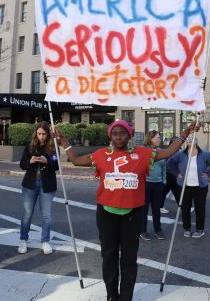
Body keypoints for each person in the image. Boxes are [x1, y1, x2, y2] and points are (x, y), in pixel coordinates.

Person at [55, 119, 200, 301]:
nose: (118, 137)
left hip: (132, 214)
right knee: (109, 257)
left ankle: (126, 297)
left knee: (129, 260)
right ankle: (111, 295)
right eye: (114, 134)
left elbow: (169, 152)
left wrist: (186, 132)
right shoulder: (101, 154)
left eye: (122, 133)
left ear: (129, 136)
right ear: (110, 136)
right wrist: (62, 140)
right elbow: (76, 160)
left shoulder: (142, 154)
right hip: (107, 214)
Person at [18, 121, 59, 255]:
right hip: (30, 184)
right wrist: (30, 161)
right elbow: (22, 164)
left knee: (46, 215)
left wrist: (48, 161)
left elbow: (57, 166)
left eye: (44, 134)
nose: (41, 136)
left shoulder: (53, 147)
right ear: (36, 133)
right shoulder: (30, 145)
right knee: (27, 214)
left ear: (48, 134)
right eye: (39, 133)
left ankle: (45, 241)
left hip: (47, 185)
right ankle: (23, 239)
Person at [167, 135, 210, 239]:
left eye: (192, 137)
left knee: (200, 208)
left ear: (196, 141)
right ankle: (187, 228)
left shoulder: (204, 154)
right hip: (185, 186)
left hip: (200, 186)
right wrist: (177, 173)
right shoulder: (181, 154)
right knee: (185, 208)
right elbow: (170, 163)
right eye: (188, 138)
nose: (190, 139)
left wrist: (208, 174)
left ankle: (200, 229)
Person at [140, 130, 166, 241]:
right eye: (158, 138)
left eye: (159, 138)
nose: (159, 139)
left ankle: (158, 230)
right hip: (146, 184)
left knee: (156, 209)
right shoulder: (143, 151)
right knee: (144, 209)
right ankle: (143, 230)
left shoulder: (161, 152)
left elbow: (164, 167)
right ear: (150, 138)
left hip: (158, 184)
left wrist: (164, 181)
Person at [160, 135, 181, 213]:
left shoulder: (172, 150)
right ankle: (181, 206)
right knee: (176, 191)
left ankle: (160, 206)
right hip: (172, 174)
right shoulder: (173, 151)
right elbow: (169, 164)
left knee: (165, 191)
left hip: (170, 174)